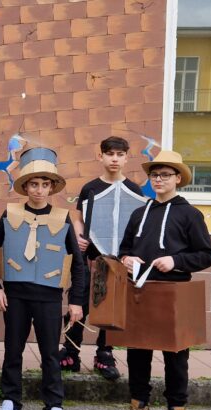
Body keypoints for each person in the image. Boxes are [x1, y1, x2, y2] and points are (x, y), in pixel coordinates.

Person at [113, 150, 211, 410]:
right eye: (155, 175)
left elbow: (206, 254)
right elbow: (124, 248)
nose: (158, 180)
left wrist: (176, 261)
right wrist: (126, 259)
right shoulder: (139, 213)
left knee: (176, 356)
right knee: (138, 352)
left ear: (178, 179)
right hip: (140, 291)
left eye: (165, 175)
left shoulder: (190, 214)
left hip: (174, 293)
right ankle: (139, 408)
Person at [0, 148, 87, 410]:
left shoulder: (63, 217)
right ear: (25, 187)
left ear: (52, 187)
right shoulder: (11, 213)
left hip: (49, 297)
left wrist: (77, 301)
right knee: (12, 351)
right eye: (34, 184)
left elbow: (79, 265)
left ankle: (54, 409)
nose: (39, 190)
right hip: (16, 296)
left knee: (50, 356)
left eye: (45, 184)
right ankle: (10, 403)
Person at [59, 136, 146, 380]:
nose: (115, 159)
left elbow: (136, 226)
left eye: (120, 154)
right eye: (110, 154)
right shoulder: (90, 188)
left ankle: (104, 353)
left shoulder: (134, 190)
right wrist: (78, 234)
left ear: (127, 157)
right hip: (89, 258)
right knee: (80, 303)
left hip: (118, 261)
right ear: (101, 156)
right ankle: (70, 351)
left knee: (111, 307)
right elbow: (79, 218)